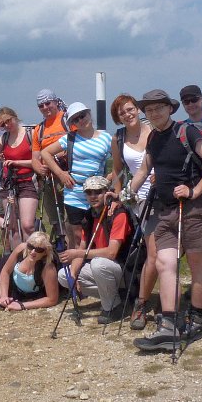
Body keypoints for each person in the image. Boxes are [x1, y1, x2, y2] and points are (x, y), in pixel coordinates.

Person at [128, 90, 202, 351]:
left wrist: (195, 190)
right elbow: (144, 170)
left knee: (196, 264)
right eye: (149, 109)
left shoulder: (186, 132)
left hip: (194, 210)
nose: (154, 113)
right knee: (164, 262)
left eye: (159, 108)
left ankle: (195, 317)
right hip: (166, 210)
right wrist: (126, 193)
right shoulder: (153, 138)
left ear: (170, 109)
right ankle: (168, 325)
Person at [109, 94, 158, 330]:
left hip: (164, 194)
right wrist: (118, 196)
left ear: (137, 109)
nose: (128, 114)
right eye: (122, 113)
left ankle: (163, 301)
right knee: (154, 253)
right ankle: (142, 302)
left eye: (130, 109)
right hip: (140, 200)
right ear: (118, 118)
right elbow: (117, 169)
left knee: (164, 254)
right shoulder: (118, 138)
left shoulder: (155, 130)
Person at [57, 176, 133, 323]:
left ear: (107, 193)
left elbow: (111, 253)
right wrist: (73, 275)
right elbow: (82, 247)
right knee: (63, 275)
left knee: (98, 263)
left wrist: (78, 253)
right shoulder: (89, 216)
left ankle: (113, 307)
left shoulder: (118, 214)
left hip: (122, 269)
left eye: (98, 192)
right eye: (89, 192)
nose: (93, 196)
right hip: (104, 269)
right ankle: (116, 296)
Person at [40, 102, 111, 251]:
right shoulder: (70, 138)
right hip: (74, 191)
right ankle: (79, 262)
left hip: (97, 192)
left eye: (82, 116)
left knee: (98, 231)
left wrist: (107, 181)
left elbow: (119, 162)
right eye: (75, 119)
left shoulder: (106, 138)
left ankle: (94, 261)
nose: (80, 120)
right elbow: (45, 153)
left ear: (89, 114)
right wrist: (61, 174)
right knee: (78, 234)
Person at [0, 107, 38, 250]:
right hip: (8, 183)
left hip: (28, 181)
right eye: (3, 124)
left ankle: (32, 256)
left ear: (15, 117)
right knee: (12, 226)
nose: (7, 125)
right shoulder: (4, 137)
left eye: (9, 121)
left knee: (27, 225)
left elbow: (38, 161)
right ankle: (18, 258)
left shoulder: (30, 133)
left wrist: (16, 162)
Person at [31, 89, 69, 239]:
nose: (45, 107)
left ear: (56, 102)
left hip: (67, 173)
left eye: (48, 103)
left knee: (71, 214)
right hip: (48, 177)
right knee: (54, 215)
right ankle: (60, 241)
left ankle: (71, 243)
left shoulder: (67, 120)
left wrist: (53, 157)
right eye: (41, 105)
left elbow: (76, 144)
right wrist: (39, 168)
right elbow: (35, 158)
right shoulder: (39, 129)